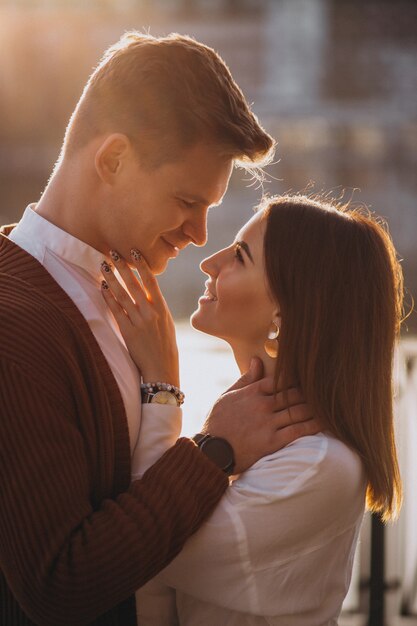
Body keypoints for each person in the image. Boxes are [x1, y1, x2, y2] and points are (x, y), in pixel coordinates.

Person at [0, 33, 320, 626]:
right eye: (185, 201)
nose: (200, 234)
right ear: (113, 159)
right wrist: (214, 452)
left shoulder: (118, 296)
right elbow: (57, 585)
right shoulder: (13, 323)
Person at [102, 193, 404, 625]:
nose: (210, 263)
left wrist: (163, 386)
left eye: (240, 256)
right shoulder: (248, 425)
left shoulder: (319, 464)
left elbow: (147, 552)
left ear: (282, 310)